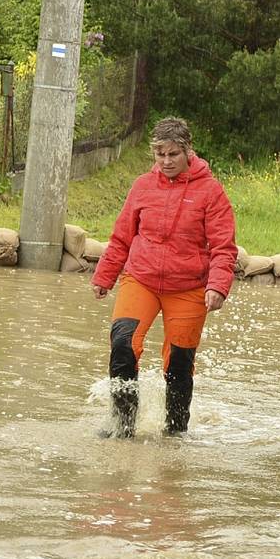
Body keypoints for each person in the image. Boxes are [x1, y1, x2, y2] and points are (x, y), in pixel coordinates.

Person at [91, 117, 237, 438]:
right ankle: (122, 425)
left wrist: (217, 286)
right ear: (154, 155)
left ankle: (175, 433)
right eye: (160, 154)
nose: (167, 161)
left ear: (188, 151)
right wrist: (105, 276)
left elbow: (224, 246)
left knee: (179, 365)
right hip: (140, 280)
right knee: (122, 345)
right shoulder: (142, 186)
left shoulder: (210, 192)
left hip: (188, 289)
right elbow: (121, 237)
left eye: (173, 154)